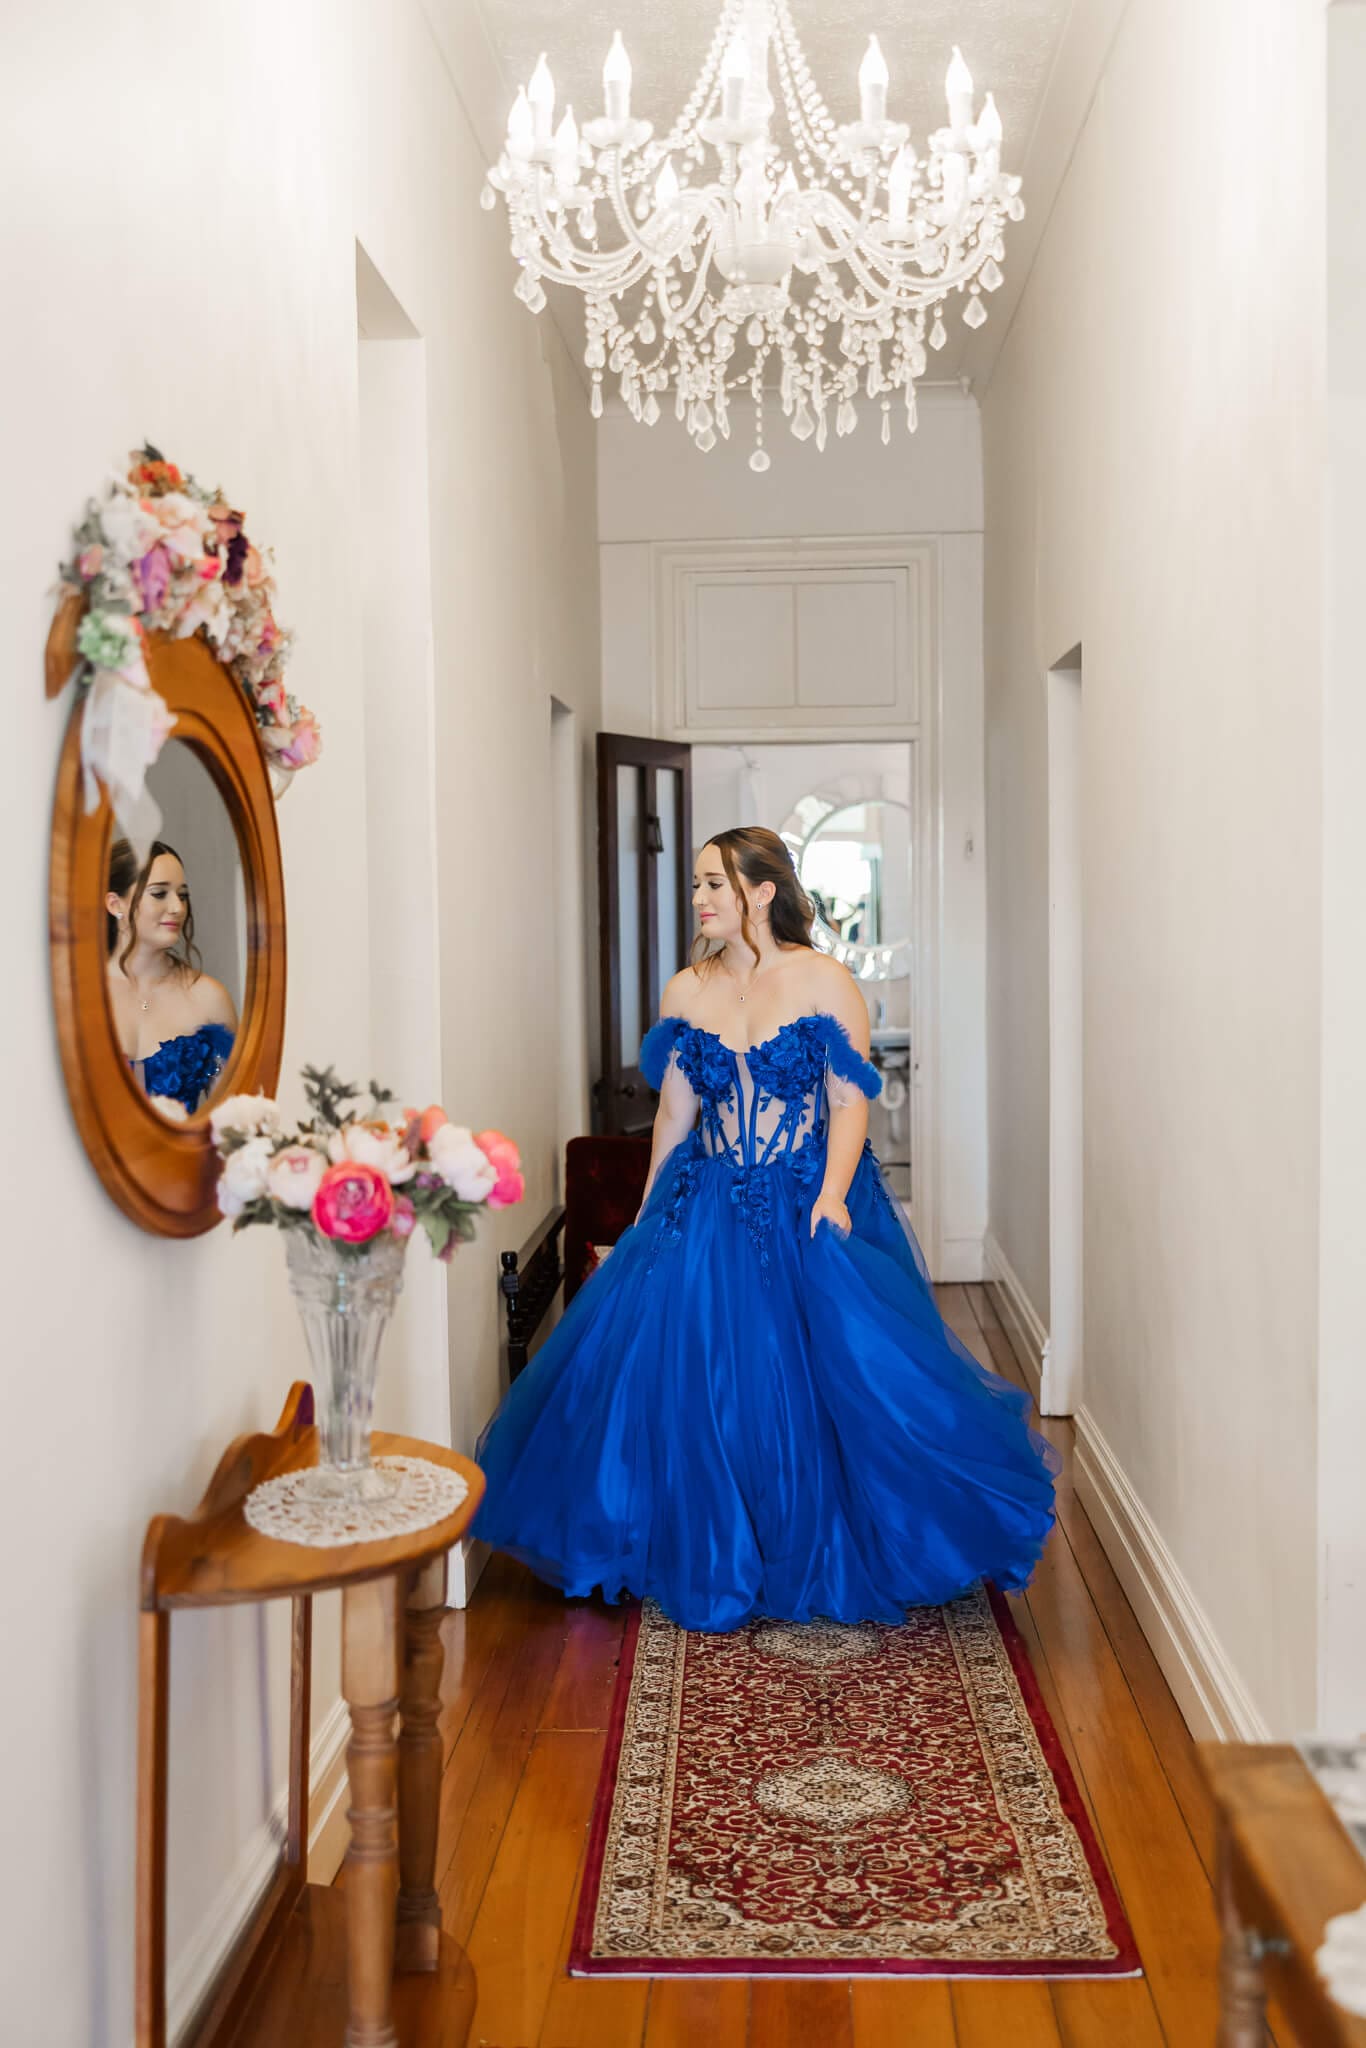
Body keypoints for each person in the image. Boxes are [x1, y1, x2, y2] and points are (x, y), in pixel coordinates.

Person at [473, 826, 1059, 1632]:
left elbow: (850, 1100)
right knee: (691, 1379)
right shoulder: (686, 991)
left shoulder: (824, 982)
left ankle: (811, 1540)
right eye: (697, 886)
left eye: (715, 884)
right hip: (704, 1198)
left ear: (762, 892)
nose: (700, 899)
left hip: (800, 1197)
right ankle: (695, 1542)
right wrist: (644, 1215)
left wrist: (832, 1192)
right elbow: (675, 1116)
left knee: (818, 1378)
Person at [105, 838, 237, 1117]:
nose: (177, 907)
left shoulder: (208, 999)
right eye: (159, 893)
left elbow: (233, 1125)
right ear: (116, 904)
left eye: (183, 895)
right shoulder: (78, 997)